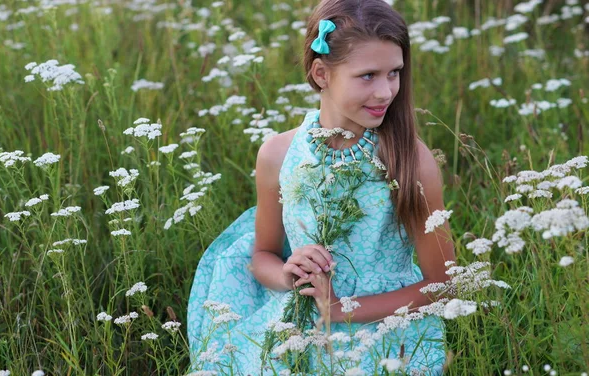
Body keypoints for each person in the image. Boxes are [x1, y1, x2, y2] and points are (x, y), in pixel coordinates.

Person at [186, 0, 456, 374]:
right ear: (321, 74)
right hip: (299, 324)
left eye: (394, 73)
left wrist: (343, 309)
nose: (385, 92)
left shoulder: (411, 160)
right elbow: (262, 254)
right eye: (368, 76)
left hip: (388, 327)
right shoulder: (278, 154)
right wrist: (287, 274)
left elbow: (444, 283)